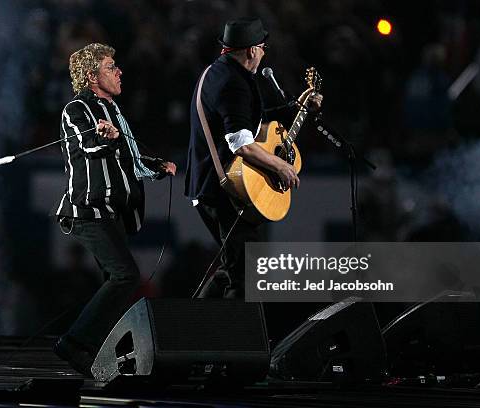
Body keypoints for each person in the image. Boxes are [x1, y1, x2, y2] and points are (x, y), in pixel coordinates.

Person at [51, 43, 176, 376]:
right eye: (111, 67)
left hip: (113, 211)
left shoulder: (115, 109)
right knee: (125, 275)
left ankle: (101, 351)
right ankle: (75, 344)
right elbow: (87, 147)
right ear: (92, 76)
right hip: (88, 210)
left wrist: (156, 166)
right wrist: (104, 136)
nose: (119, 71)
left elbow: (130, 157)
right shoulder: (76, 108)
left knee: (116, 279)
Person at [185, 18, 322, 298]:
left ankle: (196, 325)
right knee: (246, 277)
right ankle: (238, 339)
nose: (264, 53)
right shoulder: (232, 83)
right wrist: (280, 165)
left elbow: (254, 121)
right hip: (223, 190)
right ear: (251, 50)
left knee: (235, 268)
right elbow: (241, 143)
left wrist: (296, 108)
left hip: (216, 186)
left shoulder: (222, 73)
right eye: (262, 48)